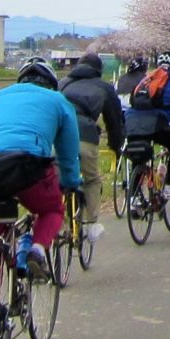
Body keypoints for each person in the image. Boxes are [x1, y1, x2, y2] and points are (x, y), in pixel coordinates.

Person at [0, 58, 80, 288]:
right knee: (51, 209)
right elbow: (68, 152)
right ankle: (36, 250)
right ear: (51, 83)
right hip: (28, 166)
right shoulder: (58, 100)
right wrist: (70, 181)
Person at [59, 53, 123, 238]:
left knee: (56, 178)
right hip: (85, 136)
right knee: (92, 179)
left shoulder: (62, 83)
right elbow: (114, 121)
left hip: (60, 136)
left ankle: (55, 220)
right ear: (99, 70)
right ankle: (91, 223)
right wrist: (115, 146)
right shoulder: (104, 87)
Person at [122, 51, 170, 198]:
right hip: (156, 124)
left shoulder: (145, 80)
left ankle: (134, 199)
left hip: (131, 122)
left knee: (139, 158)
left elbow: (133, 101)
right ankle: (168, 188)